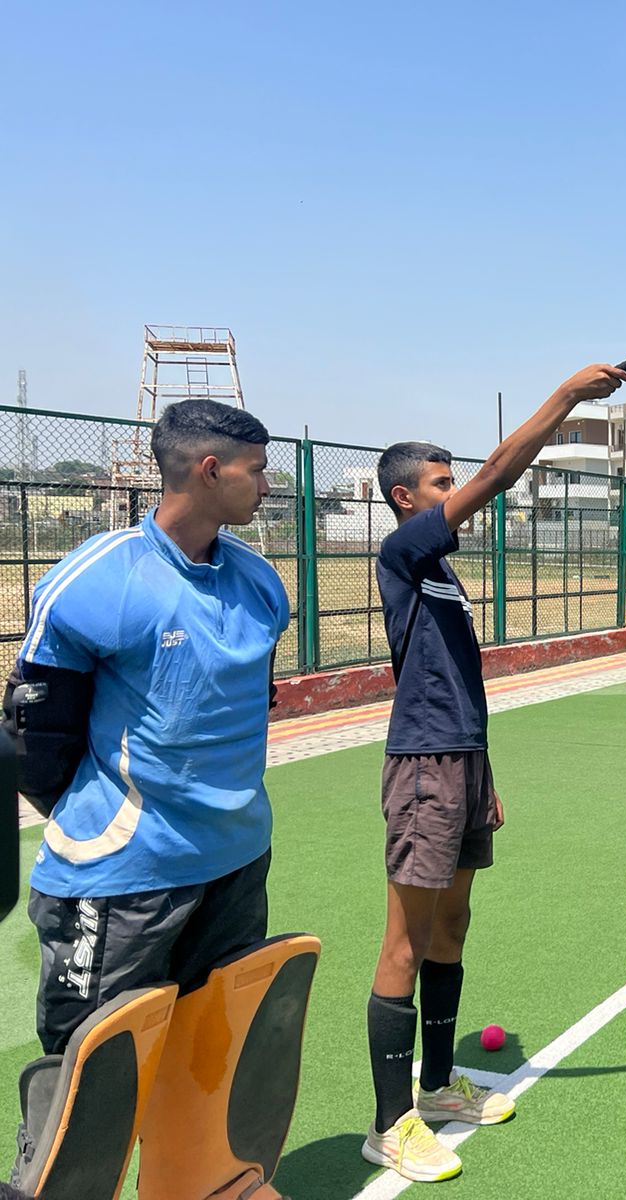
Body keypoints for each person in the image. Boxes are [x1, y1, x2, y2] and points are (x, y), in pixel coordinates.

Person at [363, 363, 626, 1182]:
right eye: (440, 482)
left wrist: (485, 770)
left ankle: (438, 1086)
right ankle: (389, 1123)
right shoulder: (406, 550)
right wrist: (566, 399)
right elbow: (499, 472)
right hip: (423, 765)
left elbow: (456, 681)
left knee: (454, 927)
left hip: (464, 760)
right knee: (405, 940)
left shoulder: (442, 570)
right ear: (408, 497)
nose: (456, 491)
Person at [10, 401, 287, 1142]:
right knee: (91, 1086)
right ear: (209, 470)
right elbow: (36, 739)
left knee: (205, 1065)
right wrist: (108, 818)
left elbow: (248, 713)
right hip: (123, 875)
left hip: (236, 866)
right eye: (256, 470)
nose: (268, 486)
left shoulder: (261, 586)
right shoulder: (96, 580)